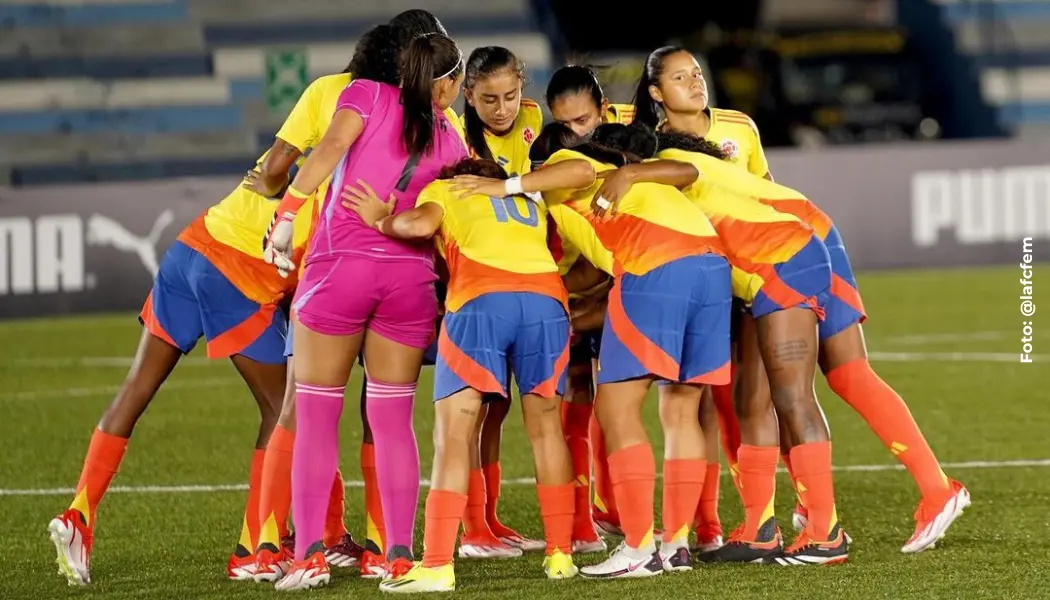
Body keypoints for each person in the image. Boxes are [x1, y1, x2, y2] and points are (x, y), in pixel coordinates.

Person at [45, 39, 328, 588]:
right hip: (237, 274)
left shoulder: (304, 141)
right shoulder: (338, 188)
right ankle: (256, 547)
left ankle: (79, 513)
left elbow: (271, 179)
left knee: (136, 387)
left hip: (192, 246)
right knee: (284, 409)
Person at [655, 131, 970, 556]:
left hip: (800, 242)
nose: (695, 90)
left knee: (842, 374)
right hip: (775, 249)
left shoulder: (676, 155)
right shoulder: (693, 148)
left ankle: (935, 489)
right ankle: (789, 515)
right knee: (760, 391)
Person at [454, 122, 732, 577]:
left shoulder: (569, 168)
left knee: (616, 409)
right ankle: (677, 544)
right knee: (683, 408)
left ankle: (639, 548)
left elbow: (575, 170)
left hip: (655, 265)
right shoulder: (620, 191)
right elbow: (589, 272)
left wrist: (505, 185)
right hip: (712, 267)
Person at [248, 11, 465, 582]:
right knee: (393, 421)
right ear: (448, 85)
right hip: (410, 283)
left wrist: (288, 215)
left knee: (317, 416)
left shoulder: (365, 94)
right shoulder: (451, 136)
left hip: (338, 271)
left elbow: (326, 152)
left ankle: (308, 556)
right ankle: (398, 554)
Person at [342, 157, 577, 593]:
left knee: (454, 435)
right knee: (547, 431)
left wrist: (380, 219)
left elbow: (416, 225)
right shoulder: (527, 198)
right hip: (546, 302)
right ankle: (560, 556)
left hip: (480, 300)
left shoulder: (447, 189)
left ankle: (436, 565)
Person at [632, 45, 777, 550]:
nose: (696, 82)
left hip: (752, 280)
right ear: (656, 92)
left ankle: (765, 519)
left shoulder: (739, 126)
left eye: (696, 73)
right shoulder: (651, 144)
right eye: (680, 77)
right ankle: (710, 526)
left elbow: (767, 193)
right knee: (697, 405)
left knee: (753, 401)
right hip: (700, 286)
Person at [454, 45, 546, 557]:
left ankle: (489, 518)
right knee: (470, 406)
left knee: (499, 404)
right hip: (471, 279)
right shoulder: (454, 133)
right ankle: (473, 529)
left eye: (510, 96)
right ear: (468, 95)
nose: (502, 108)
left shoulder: (532, 119)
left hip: (521, 271)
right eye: (489, 99)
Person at [542, 65, 633, 549]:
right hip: (577, 285)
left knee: (619, 400)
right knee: (578, 393)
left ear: (604, 110)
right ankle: (582, 523)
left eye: (583, 121)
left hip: (620, 282)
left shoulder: (630, 140)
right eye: (565, 124)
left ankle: (618, 511)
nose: (575, 133)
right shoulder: (556, 159)